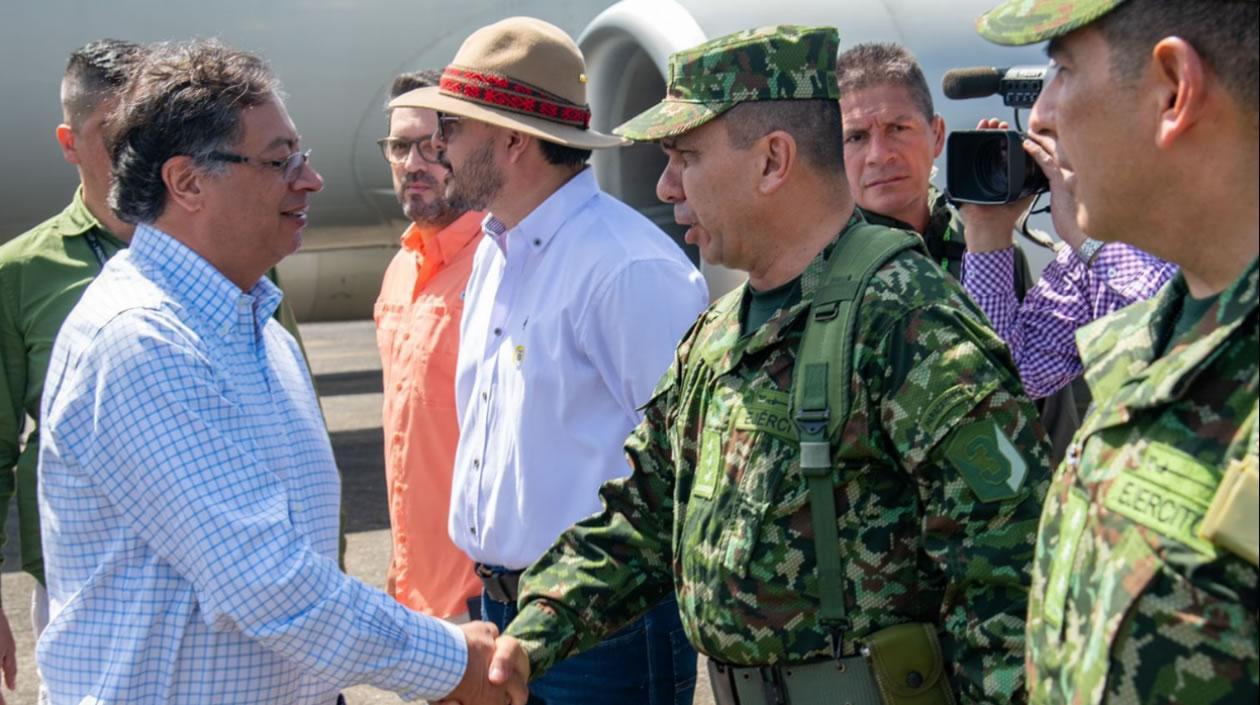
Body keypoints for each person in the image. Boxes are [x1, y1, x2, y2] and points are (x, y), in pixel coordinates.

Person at [495, 25, 1053, 705]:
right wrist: (522, 644)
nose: (667, 185)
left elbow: (1010, 564)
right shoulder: (718, 335)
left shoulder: (906, 319)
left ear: (772, 161)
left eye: (686, 156)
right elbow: (639, 516)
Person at [36, 39, 524, 705]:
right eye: (277, 161)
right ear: (186, 181)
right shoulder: (139, 339)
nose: (308, 179)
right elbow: (267, 582)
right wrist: (448, 658)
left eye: (302, 157)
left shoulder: (259, 328)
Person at [391, 17, 709, 705]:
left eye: (455, 127)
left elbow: (686, 474)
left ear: (510, 138)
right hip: (503, 611)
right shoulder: (495, 256)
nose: (439, 145)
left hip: (605, 629)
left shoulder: (627, 268)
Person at [975, 0, 1259, 703]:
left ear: (1171, 89)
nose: (1039, 118)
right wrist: (988, 241)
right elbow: (1010, 380)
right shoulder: (1154, 335)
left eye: (1063, 71)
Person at [835, 41, 1082, 463]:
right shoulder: (823, 266)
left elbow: (1045, 405)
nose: (880, 154)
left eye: (898, 128)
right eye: (856, 137)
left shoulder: (983, 244)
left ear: (937, 135)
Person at [958, 124, 1177, 402]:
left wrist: (1088, 243)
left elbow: (1200, 340)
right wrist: (987, 229)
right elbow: (1005, 382)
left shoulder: (1235, 206)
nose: (1039, 119)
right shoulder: (1090, 250)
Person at [374, 69, 483, 621]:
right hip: (422, 595)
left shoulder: (501, 265)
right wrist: (401, 559)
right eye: (399, 146)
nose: (412, 164)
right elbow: (407, 435)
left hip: (487, 596)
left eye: (432, 146)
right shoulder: (400, 270)